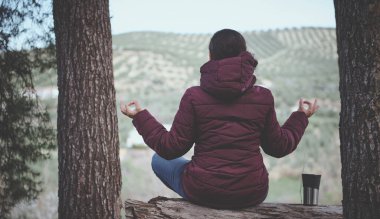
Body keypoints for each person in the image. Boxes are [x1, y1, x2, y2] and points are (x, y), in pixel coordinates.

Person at [120, 29, 319, 209]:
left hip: (203, 190)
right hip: (251, 192)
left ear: (210, 56)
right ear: (244, 56)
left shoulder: (194, 96)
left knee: (158, 160)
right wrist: (301, 117)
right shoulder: (263, 97)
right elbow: (278, 146)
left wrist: (139, 116)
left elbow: (170, 148)